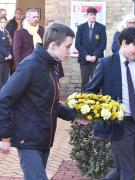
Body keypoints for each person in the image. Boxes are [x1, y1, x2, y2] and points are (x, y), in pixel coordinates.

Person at [0, 23, 75, 180]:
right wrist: (5, 136)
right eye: (67, 47)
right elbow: (4, 98)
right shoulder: (30, 65)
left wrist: (75, 115)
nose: (69, 51)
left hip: (44, 139)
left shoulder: (52, 66)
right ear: (54, 45)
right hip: (27, 139)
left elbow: (50, 102)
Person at [85, 27, 135, 180]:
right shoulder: (106, 64)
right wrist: (105, 110)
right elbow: (90, 92)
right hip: (118, 124)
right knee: (128, 172)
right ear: (124, 43)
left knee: (125, 168)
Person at [75, 6, 107, 91]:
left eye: (94, 15)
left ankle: (95, 102)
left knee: (96, 82)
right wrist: (86, 56)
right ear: (87, 15)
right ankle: (83, 101)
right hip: (84, 60)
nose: (93, 16)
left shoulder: (101, 27)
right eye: (91, 14)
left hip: (96, 60)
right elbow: (77, 44)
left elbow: (103, 44)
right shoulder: (81, 28)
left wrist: (95, 56)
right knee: (85, 81)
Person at [6, 8, 23, 74]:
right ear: (14, 14)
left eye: (20, 13)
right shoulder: (10, 23)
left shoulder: (24, 23)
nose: (18, 14)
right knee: (12, 66)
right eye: (17, 13)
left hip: (22, 47)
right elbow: (7, 35)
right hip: (12, 46)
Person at [0, 16, 12, 88]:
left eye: (5, 22)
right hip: (1, 59)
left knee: (5, 80)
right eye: (2, 22)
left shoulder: (6, 32)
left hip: (7, 59)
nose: (4, 24)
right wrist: (7, 54)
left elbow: (9, 45)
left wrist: (9, 54)